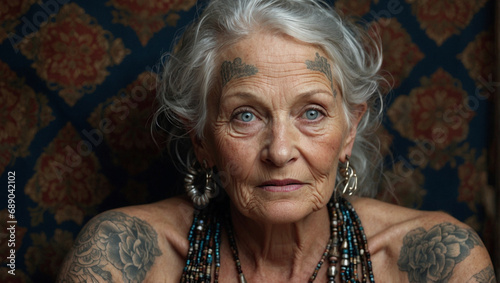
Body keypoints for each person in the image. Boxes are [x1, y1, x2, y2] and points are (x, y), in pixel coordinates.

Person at [58, 0, 495, 282]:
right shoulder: (124, 255)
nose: (280, 151)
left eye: (312, 113)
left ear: (350, 131)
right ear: (201, 140)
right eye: (246, 115)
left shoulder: (440, 260)